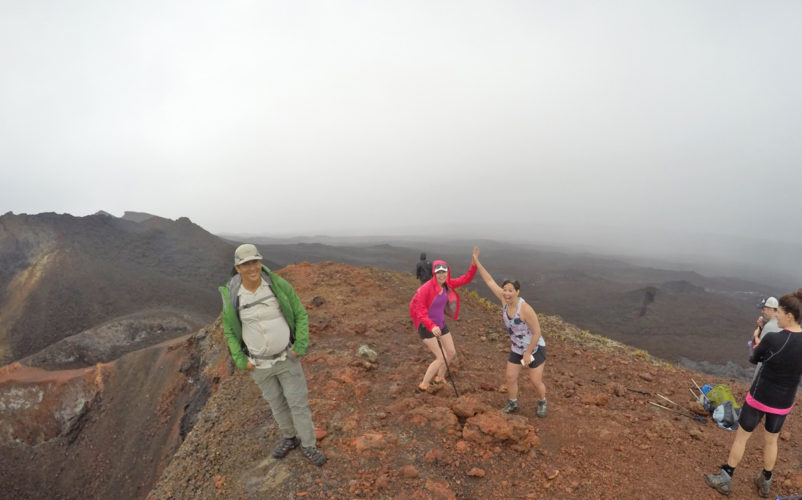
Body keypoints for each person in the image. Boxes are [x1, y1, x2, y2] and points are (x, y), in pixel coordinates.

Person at [219, 244, 326, 466]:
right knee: (276, 403)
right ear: (237, 268)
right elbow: (229, 329)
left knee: (297, 404)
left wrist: (300, 346)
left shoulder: (277, 285)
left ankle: (308, 444)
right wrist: (240, 360)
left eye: (255, 262)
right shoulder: (232, 294)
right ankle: (289, 437)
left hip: (286, 357)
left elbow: (300, 313)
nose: (252, 268)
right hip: (258, 364)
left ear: (261, 262)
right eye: (246, 264)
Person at [705, 288, 802, 497]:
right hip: (783, 402)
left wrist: (755, 339)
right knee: (772, 440)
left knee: (742, 437)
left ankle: (726, 478)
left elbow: (753, 357)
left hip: (760, 396)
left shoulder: (774, 339)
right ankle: (765, 481)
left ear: (789, 316)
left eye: (779, 312)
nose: (776, 315)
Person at [472, 248, 547, 417]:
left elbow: (537, 332)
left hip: (534, 349)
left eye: (510, 290)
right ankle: (513, 403)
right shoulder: (504, 300)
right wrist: (476, 261)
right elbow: (489, 280)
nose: (506, 293)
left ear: (517, 292)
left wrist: (528, 354)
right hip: (517, 348)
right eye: (505, 289)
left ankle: (542, 400)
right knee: (510, 377)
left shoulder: (525, 310)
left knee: (535, 381)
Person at [409, 249, 477, 392]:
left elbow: (466, 279)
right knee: (441, 357)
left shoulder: (447, 284)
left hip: (441, 325)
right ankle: (424, 385)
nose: (442, 275)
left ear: (447, 272)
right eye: (438, 272)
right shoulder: (425, 289)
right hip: (426, 326)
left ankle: (439, 378)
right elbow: (419, 310)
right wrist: (431, 325)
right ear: (434, 273)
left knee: (451, 353)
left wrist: (474, 264)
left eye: (444, 272)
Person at [750, 297, 782, 381]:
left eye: (764, 309)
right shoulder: (780, 322)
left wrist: (756, 336)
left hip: (765, 367)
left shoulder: (770, 326)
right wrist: (761, 327)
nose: (762, 312)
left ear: (771, 309)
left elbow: (761, 346)